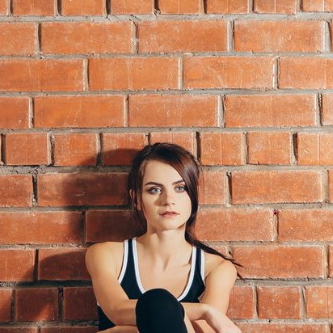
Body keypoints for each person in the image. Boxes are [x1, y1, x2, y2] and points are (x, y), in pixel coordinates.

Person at [86, 142, 242, 333]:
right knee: (156, 301)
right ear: (136, 199)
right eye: (154, 190)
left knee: (157, 302)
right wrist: (205, 310)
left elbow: (203, 331)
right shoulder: (107, 255)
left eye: (180, 188)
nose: (168, 200)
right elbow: (117, 310)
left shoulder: (216, 268)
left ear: (193, 195)